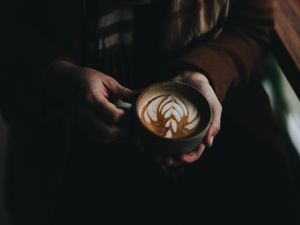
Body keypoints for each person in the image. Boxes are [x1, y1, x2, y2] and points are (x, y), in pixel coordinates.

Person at [1, 0, 299, 224]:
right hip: (70, 143)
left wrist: (204, 73)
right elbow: (12, 33)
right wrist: (56, 75)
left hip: (226, 118)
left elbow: (251, 25)